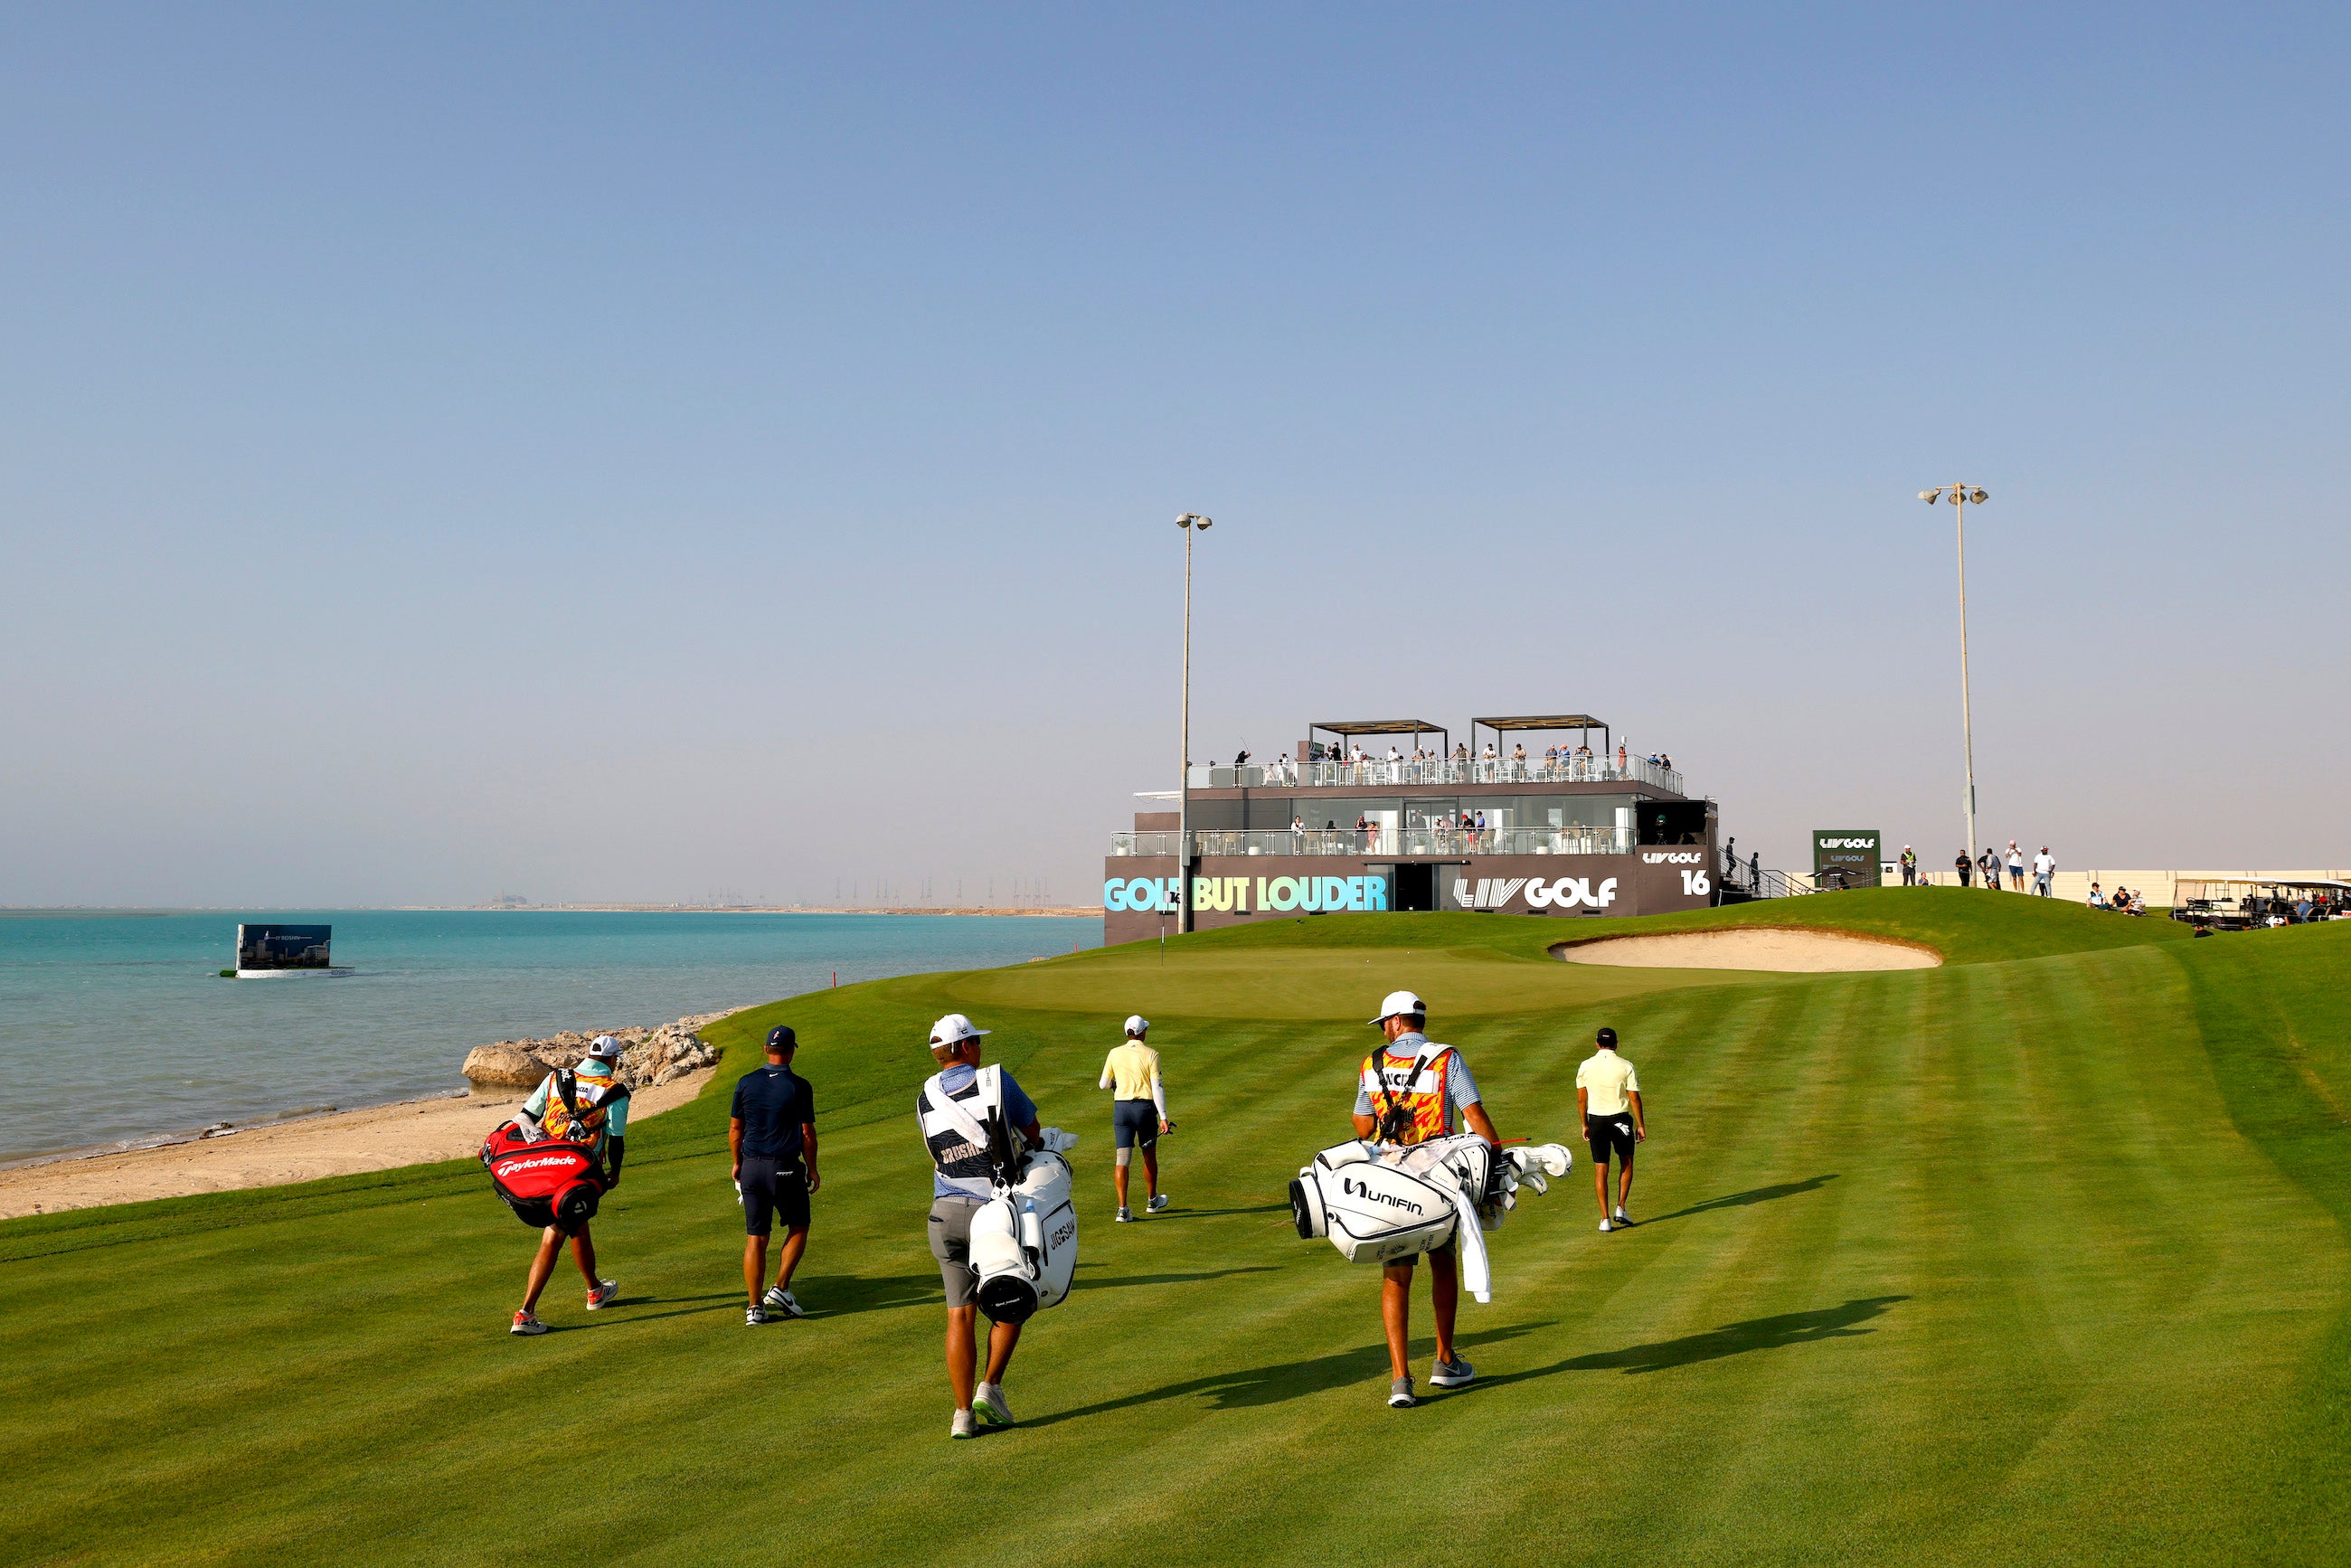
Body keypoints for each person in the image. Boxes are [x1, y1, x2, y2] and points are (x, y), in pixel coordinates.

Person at [1353, 989, 1501, 1409]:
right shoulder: (1447, 1057)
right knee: (1441, 1260)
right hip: (1438, 1175)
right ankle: (1445, 1360)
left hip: (1390, 1177)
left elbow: (1362, 1126)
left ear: (1396, 1021)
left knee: (1396, 1271)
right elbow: (1473, 1114)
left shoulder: (1372, 1062)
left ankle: (1401, 1379)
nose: (1384, 1029)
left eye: (1384, 1023)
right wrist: (1495, 1151)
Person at [917, 1013, 1043, 1439]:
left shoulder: (924, 1095)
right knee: (1012, 1299)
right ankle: (989, 1388)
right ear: (964, 1048)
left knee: (959, 1315)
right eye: (976, 1042)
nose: (981, 1050)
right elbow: (1032, 1128)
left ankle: (961, 1416)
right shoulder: (993, 1079)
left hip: (944, 1212)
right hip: (992, 1212)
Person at [509, 1035, 629, 1336]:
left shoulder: (555, 1078)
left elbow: (525, 1118)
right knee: (554, 1236)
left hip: (546, 1166)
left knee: (578, 1226)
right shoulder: (614, 1091)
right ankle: (525, 1313)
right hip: (578, 1174)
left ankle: (595, 1291)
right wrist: (614, 1173)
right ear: (613, 1060)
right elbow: (616, 1139)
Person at [732, 1025, 819, 1326]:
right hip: (784, 1166)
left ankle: (754, 1307)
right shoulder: (799, 1086)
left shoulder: (745, 1083)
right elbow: (807, 1133)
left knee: (756, 1238)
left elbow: (735, 1129)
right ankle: (780, 1288)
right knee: (799, 1225)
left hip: (751, 1167)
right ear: (792, 1049)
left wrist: (737, 1163)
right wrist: (813, 1167)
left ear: (767, 1049)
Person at [1100, 1015, 1171, 1220]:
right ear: (1142, 1033)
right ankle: (1152, 1200)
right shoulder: (1152, 1054)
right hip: (1144, 1110)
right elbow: (1156, 1088)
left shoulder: (1114, 1053)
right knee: (1148, 1155)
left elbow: (1103, 1084)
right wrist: (1164, 1117)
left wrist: (1116, 1085)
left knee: (1122, 1160)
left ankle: (1122, 1209)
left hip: (1121, 1110)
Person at [1576, 1027, 1646, 1231]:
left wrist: (1584, 1124)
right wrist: (1641, 1125)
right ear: (1616, 1044)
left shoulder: (1585, 1066)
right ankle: (1621, 1208)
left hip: (1596, 1120)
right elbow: (1634, 1097)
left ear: (1597, 1044)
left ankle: (1605, 1219)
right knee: (1626, 1161)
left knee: (1601, 1168)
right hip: (1620, 1120)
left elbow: (1582, 1099)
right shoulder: (1626, 1066)